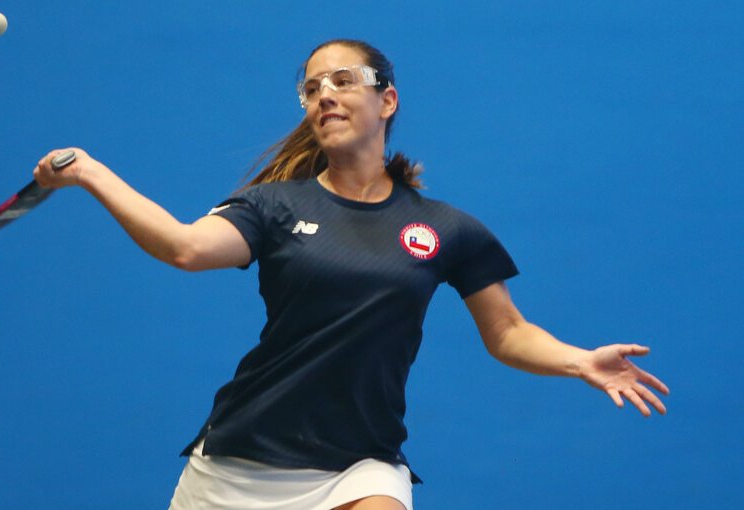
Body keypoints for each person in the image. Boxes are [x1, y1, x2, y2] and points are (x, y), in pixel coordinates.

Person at [33, 39, 669, 510]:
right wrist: (92, 172)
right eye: (311, 88)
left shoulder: (448, 229)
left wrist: (578, 360)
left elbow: (507, 333)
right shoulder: (273, 206)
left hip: (359, 464)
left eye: (341, 80)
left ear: (387, 99)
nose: (324, 95)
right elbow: (183, 248)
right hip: (237, 463)